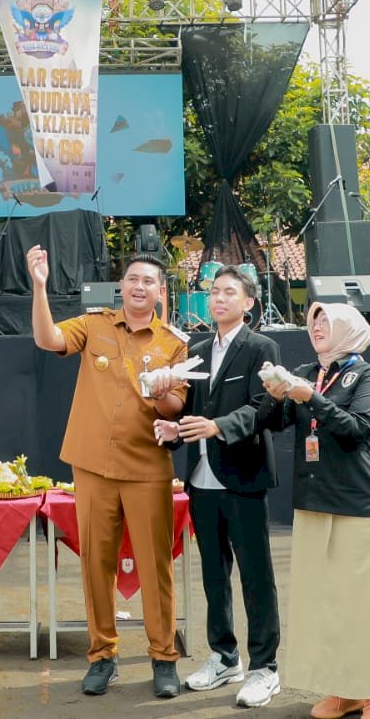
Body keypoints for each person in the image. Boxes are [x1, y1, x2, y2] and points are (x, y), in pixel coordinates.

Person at [28, 244, 189, 699]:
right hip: (94, 464)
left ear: (160, 292)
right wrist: (39, 287)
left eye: (149, 282)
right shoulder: (95, 324)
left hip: (146, 466)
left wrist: (160, 391)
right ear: (122, 286)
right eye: (133, 279)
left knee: (156, 566)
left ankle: (163, 659)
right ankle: (103, 656)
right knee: (96, 563)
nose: (139, 287)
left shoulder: (174, 344)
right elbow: (47, 339)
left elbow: (177, 405)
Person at [262, 302, 370, 719]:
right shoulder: (308, 372)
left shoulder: (367, 375)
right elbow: (276, 422)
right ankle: (345, 689)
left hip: (355, 500)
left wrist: (313, 400)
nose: (318, 327)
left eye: (327, 321)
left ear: (348, 328)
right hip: (311, 500)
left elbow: (359, 429)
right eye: (314, 321)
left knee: (366, 600)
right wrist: (276, 397)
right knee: (325, 600)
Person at [154, 265, 283, 709]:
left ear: (249, 303)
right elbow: (189, 406)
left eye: (230, 292)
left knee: (256, 576)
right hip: (200, 480)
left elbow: (263, 407)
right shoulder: (197, 348)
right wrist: (175, 429)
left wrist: (217, 426)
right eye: (213, 292)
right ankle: (225, 656)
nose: (219, 299)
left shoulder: (261, 347)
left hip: (243, 476)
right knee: (213, 574)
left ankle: (265, 667)